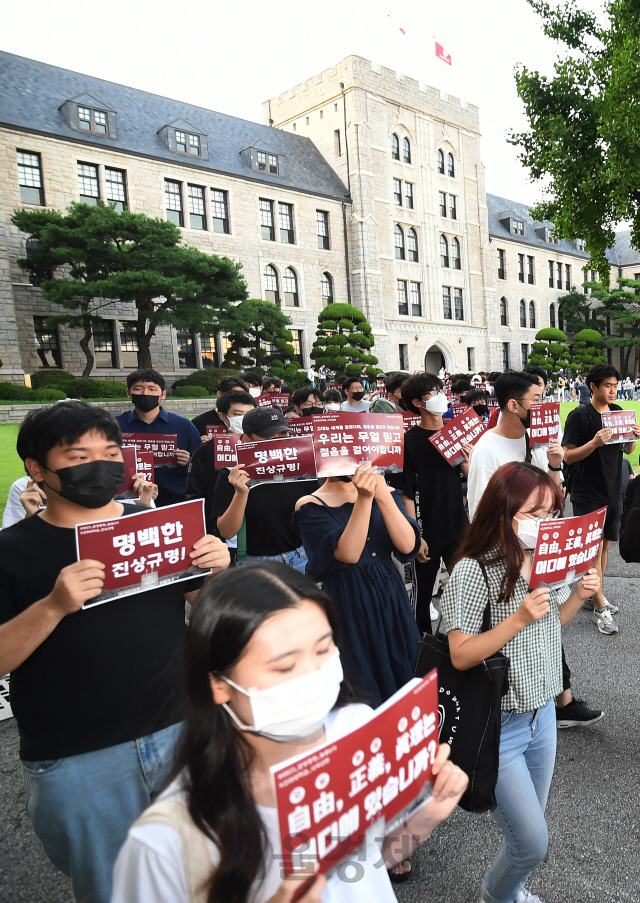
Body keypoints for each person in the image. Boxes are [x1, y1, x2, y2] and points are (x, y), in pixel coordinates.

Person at [112, 563, 468, 903]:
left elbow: (367, 864)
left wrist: (425, 817)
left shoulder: (356, 729)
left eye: (324, 649)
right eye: (285, 665)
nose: (315, 674)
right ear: (218, 686)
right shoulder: (168, 841)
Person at [0, 401, 229, 903]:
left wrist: (216, 569)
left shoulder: (155, 526)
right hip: (79, 755)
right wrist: (55, 606)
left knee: (203, 872)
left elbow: (208, 607)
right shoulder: (11, 551)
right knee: (115, 887)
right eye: (78, 455)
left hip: (180, 729)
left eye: (110, 452)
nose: (100, 466)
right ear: (37, 469)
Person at [441, 461, 600, 903]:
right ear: (501, 511)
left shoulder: (543, 560)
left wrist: (578, 597)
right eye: (534, 514)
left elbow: (551, 628)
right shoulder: (474, 569)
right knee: (532, 842)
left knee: (531, 829)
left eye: (552, 514)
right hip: (500, 725)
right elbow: (460, 652)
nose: (545, 524)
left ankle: (512, 890)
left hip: (542, 716)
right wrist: (517, 618)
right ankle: (497, 895)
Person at [294, 463, 421, 707]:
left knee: (404, 665)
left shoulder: (387, 492)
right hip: (348, 599)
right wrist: (364, 499)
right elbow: (349, 554)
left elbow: (407, 546)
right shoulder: (310, 504)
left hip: (390, 592)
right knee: (362, 674)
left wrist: (382, 494)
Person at [562, 363, 640, 634]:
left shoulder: (619, 413)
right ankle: (598, 607)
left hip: (612, 490)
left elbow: (625, 448)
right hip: (587, 493)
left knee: (604, 548)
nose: (613, 390)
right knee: (592, 550)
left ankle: (595, 593)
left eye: (616, 385)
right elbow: (568, 456)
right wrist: (594, 442)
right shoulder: (580, 416)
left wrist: (634, 438)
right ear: (593, 387)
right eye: (608, 385)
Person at [399, 372, 470, 635]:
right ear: (417, 403)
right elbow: (407, 493)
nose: (440, 396)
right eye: (433, 392)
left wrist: (467, 463)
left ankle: (466, 644)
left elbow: (474, 482)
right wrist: (415, 536)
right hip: (426, 530)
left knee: (467, 589)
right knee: (423, 598)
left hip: (458, 526)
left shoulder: (456, 434)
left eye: (441, 390)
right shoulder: (409, 441)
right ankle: (422, 651)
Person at [214, 407, 319, 572]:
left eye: (283, 434)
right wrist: (241, 493)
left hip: (301, 557)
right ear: (247, 439)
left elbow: (318, 513)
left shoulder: (301, 467)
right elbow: (226, 531)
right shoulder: (231, 474)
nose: (278, 439)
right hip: (256, 564)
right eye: (270, 435)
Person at [467, 371, 563, 520]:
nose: (540, 406)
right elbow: (480, 515)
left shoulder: (534, 438)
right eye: (535, 400)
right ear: (513, 405)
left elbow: (549, 494)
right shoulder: (485, 451)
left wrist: (554, 466)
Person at [116, 369, 202, 507]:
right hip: (126, 501)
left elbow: (200, 463)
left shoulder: (183, 425)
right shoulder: (114, 425)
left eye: (152, 389)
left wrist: (187, 462)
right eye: (138, 389)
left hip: (174, 499)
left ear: (163, 395)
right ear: (128, 393)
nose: (145, 393)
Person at [186, 391, 257, 537]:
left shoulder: (265, 446)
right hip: (219, 529)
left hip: (257, 528)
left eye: (249, 414)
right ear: (222, 416)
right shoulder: (207, 450)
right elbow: (195, 492)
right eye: (237, 414)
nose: (243, 419)